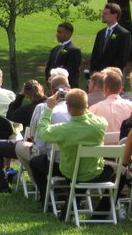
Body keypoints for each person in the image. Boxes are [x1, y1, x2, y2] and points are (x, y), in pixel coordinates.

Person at [36, 88, 113, 220]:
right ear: (86, 105)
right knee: (121, 172)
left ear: (68, 107)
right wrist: (81, 102)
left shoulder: (64, 129)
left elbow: (42, 132)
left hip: (71, 173)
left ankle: (60, 207)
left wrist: (49, 108)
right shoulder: (100, 124)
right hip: (95, 172)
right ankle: (102, 211)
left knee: (37, 163)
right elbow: (89, 115)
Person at [0, 80, 47, 193]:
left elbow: (10, 114)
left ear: (28, 95)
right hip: (49, 150)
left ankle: (2, 185)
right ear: (42, 88)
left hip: (33, 149)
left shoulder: (28, 110)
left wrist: (20, 95)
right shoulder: (53, 106)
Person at [18, 76, 71, 198]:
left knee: (33, 159)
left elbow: (39, 144)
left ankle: (45, 194)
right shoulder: (91, 119)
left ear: (52, 90)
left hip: (57, 165)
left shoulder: (46, 110)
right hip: (80, 164)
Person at [90, 3, 131, 73]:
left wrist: (108, 71)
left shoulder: (123, 34)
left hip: (113, 74)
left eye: (105, 14)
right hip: (98, 74)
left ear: (114, 16)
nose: (102, 15)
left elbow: (123, 58)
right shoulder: (100, 33)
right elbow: (95, 54)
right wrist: (93, 70)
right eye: (103, 13)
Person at [45, 22, 81, 88]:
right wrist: (49, 81)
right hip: (53, 87)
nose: (57, 34)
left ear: (68, 34)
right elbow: (49, 67)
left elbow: (71, 71)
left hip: (67, 88)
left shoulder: (74, 50)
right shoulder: (55, 50)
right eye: (57, 32)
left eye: (60, 32)